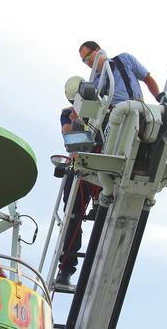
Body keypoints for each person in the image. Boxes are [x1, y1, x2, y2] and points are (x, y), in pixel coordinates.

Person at [56, 78, 101, 286]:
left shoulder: (103, 109)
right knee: (73, 218)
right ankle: (66, 268)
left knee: (104, 212)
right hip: (79, 167)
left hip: (101, 167)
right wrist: (77, 120)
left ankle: (99, 204)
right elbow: (67, 134)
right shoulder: (68, 113)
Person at [78, 41, 167, 105]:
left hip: (138, 108)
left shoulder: (124, 59)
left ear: (98, 50)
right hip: (114, 118)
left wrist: (158, 96)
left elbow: (147, 78)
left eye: (88, 56)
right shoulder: (94, 82)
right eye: (84, 60)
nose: (88, 61)